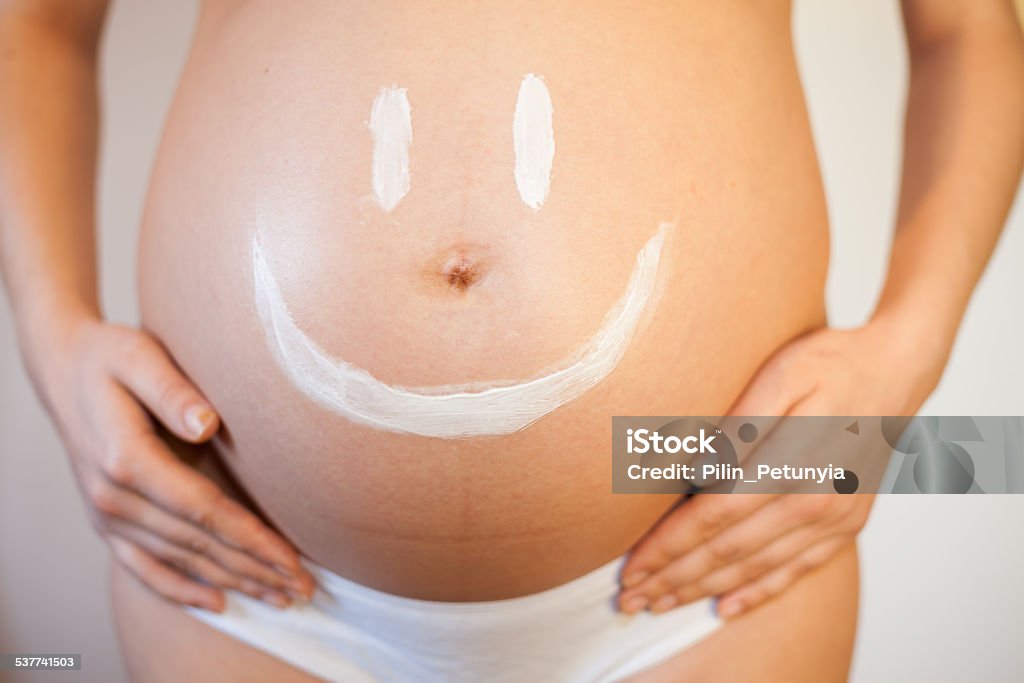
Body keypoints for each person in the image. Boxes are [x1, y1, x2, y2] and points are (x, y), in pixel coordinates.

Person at [1, 1, 1021, 681]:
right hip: (242, 569)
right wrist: (51, 344)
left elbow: (975, 29)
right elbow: (36, 22)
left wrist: (904, 356)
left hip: (701, 549)